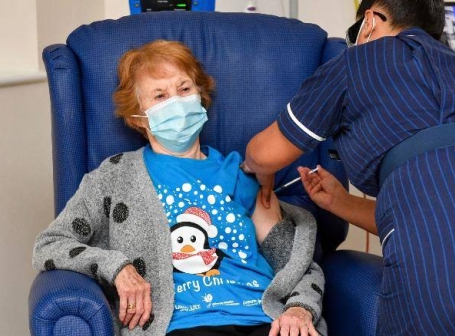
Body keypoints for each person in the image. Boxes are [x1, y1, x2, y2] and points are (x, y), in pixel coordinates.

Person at [243, 0, 455, 334]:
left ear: (370, 21)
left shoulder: (358, 60)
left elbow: (265, 154)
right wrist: (340, 203)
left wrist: (257, 170)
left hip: (447, 248)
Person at [33, 40, 327, 336]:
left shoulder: (240, 175)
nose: (176, 102)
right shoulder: (115, 177)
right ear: (138, 118)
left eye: (185, 89)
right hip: (186, 324)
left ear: (200, 95)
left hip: (264, 318)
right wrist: (117, 267)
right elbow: (50, 245)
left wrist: (300, 309)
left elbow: (295, 262)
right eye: (160, 96)